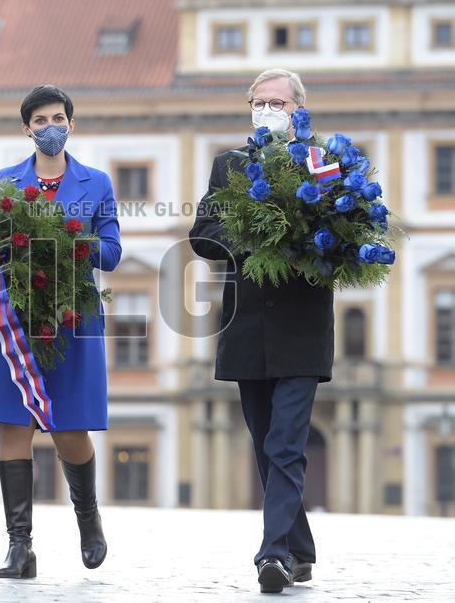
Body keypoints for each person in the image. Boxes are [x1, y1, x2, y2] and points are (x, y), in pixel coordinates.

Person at [188, 68, 333, 594]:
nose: (266, 110)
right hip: (246, 329)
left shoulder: (322, 163)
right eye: (258, 101)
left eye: (277, 102)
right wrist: (252, 230)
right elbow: (202, 235)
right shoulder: (229, 166)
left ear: (299, 108)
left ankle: (273, 556)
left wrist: (301, 237)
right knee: (264, 445)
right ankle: (302, 549)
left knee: (286, 445)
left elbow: (341, 239)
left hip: (302, 330)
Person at [0, 84, 121, 579]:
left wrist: (71, 237)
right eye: (40, 121)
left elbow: (114, 254)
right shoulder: (4, 181)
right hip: (15, 319)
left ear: (71, 124)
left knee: (68, 428)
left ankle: (88, 518)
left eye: (58, 118)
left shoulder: (95, 183)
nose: (50, 127)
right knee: (13, 424)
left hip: (71, 319)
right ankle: (20, 547)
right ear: (26, 129)